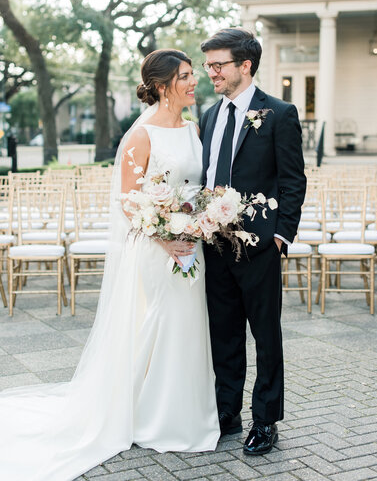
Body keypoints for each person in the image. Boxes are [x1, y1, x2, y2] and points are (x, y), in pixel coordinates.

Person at [0, 49, 219, 481]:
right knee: (155, 323)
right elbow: (128, 201)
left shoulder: (195, 128)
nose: (196, 83)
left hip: (192, 246)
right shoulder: (141, 135)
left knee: (187, 325)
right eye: (186, 76)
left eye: (195, 75)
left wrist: (199, 222)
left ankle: (183, 411)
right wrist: (165, 236)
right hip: (157, 251)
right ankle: (143, 413)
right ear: (162, 85)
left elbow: (199, 187)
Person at [200, 28, 306, 455]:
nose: (212, 73)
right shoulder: (209, 115)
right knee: (222, 334)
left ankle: (265, 419)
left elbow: (293, 180)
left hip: (260, 246)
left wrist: (280, 236)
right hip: (214, 245)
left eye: (218, 65)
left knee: (265, 335)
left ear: (245, 65)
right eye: (208, 66)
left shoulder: (278, 113)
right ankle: (228, 412)